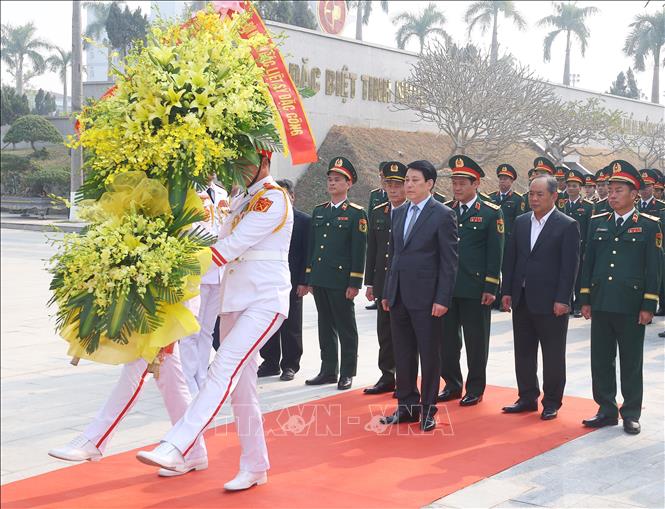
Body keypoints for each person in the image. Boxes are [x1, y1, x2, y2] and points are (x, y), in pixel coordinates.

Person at [136, 151, 293, 491]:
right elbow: (215, 241)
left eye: (247, 163)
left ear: (265, 163)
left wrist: (173, 268)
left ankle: (179, 443)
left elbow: (230, 247)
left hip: (264, 300)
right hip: (234, 301)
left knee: (221, 367)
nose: (240, 170)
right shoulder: (239, 198)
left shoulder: (273, 198)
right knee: (242, 390)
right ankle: (255, 465)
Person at [580, 161, 662, 435]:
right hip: (602, 301)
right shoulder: (597, 223)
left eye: (618, 190)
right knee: (601, 359)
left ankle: (630, 412)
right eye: (609, 190)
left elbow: (654, 268)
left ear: (634, 194)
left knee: (630, 361)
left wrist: (649, 304)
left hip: (630, 305)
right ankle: (605, 408)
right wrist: (585, 298)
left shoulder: (650, 226)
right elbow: (587, 263)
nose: (611, 195)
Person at [48, 343, 208, 477]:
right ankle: (193, 450)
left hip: (168, 310)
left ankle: (94, 438)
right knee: (169, 375)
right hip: (162, 310)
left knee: (138, 368)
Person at [380, 160, 458, 432]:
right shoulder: (398, 213)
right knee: (403, 354)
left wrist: (442, 298)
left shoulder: (442, 214)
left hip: (427, 299)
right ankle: (407, 407)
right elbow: (395, 257)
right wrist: (389, 291)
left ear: (430, 184)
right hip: (400, 295)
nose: (408, 185)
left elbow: (449, 262)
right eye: (407, 180)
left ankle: (428, 409)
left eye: (414, 180)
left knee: (429, 354)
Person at [500, 174, 580, 420]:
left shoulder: (567, 225)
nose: (534, 199)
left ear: (554, 196)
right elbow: (511, 258)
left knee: (553, 354)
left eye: (539, 194)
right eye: (531, 194)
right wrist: (506, 292)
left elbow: (570, 267)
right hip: (522, 298)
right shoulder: (522, 222)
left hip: (551, 302)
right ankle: (527, 397)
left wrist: (563, 299)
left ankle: (552, 401)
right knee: (523, 351)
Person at [439, 155, 505, 406]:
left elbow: (495, 252)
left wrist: (491, 285)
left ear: (475, 183)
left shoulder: (490, 212)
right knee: (447, 341)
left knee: (476, 342)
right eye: (454, 183)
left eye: (461, 183)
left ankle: (475, 387)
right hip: (447, 288)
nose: (456, 188)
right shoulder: (446, 210)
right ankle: (452, 384)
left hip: (476, 288)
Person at [305, 157, 367, 391]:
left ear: (348, 183)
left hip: (341, 281)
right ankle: (328, 369)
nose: (332, 183)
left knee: (345, 326)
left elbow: (358, 250)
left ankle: (347, 372)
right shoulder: (319, 211)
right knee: (325, 325)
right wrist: (310, 276)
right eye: (330, 179)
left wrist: (355, 282)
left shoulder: (355, 214)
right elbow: (313, 246)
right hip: (320, 277)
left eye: (337, 180)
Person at [179, 175, 228, 395]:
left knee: (207, 330)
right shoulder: (186, 191)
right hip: (196, 270)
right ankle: (189, 379)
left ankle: (202, 375)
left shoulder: (222, 193)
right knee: (191, 330)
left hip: (218, 270)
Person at [257, 179, 310, 381]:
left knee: (291, 325)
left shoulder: (304, 221)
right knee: (268, 323)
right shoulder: (266, 219)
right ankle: (270, 362)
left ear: (293, 197)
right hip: (269, 279)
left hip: (293, 280)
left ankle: (290, 365)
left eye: (285, 195)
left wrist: (305, 281)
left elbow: (307, 253)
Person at [363, 161, 407, 396]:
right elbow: (373, 249)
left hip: (406, 283)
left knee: (405, 333)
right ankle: (387, 375)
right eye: (388, 184)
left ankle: (406, 377)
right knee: (385, 332)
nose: (392, 189)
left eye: (397, 184)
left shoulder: (413, 211)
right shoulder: (379, 212)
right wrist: (369, 282)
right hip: (383, 281)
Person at [563, 169, 594, 318]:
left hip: (580, 247)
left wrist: (587, 249)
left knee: (579, 277)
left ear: (580, 188)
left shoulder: (587, 206)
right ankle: (567, 302)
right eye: (569, 185)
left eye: (574, 186)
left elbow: (590, 230)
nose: (571, 188)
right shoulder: (561, 204)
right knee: (565, 274)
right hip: (563, 246)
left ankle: (578, 305)